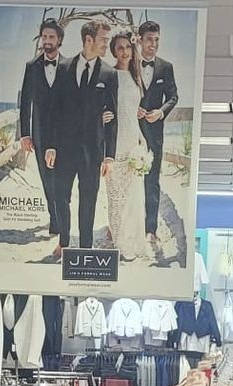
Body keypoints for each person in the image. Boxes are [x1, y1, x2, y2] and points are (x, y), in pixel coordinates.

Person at [17, 17, 72, 253]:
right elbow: (25, 103)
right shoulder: (31, 67)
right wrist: (25, 134)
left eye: (51, 37)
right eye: (44, 36)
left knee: (60, 180)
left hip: (63, 135)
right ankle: (54, 216)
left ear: (59, 40)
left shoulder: (70, 66)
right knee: (46, 180)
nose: (47, 41)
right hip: (39, 133)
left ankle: (60, 219)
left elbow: (73, 104)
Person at [63, 20, 114, 253]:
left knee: (88, 199)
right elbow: (56, 111)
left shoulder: (109, 73)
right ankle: (63, 241)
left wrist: (109, 156)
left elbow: (112, 118)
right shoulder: (65, 67)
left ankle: (85, 245)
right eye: (103, 39)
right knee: (62, 196)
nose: (107, 44)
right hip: (65, 147)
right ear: (88, 40)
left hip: (93, 150)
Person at [104, 33, 154, 263]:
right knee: (116, 195)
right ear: (114, 51)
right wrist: (100, 116)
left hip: (134, 139)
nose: (124, 51)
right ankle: (117, 243)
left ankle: (132, 240)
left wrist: (142, 136)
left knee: (133, 195)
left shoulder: (136, 77)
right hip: (115, 142)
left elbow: (132, 110)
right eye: (119, 48)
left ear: (132, 50)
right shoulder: (109, 74)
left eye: (127, 47)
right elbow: (100, 105)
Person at [136, 19, 179, 255]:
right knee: (129, 182)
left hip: (155, 134)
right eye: (150, 40)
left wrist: (160, 112)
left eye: (157, 40)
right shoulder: (129, 64)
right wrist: (134, 109)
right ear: (140, 40)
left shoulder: (166, 67)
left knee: (152, 182)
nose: (153, 44)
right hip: (130, 134)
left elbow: (173, 96)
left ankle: (150, 229)